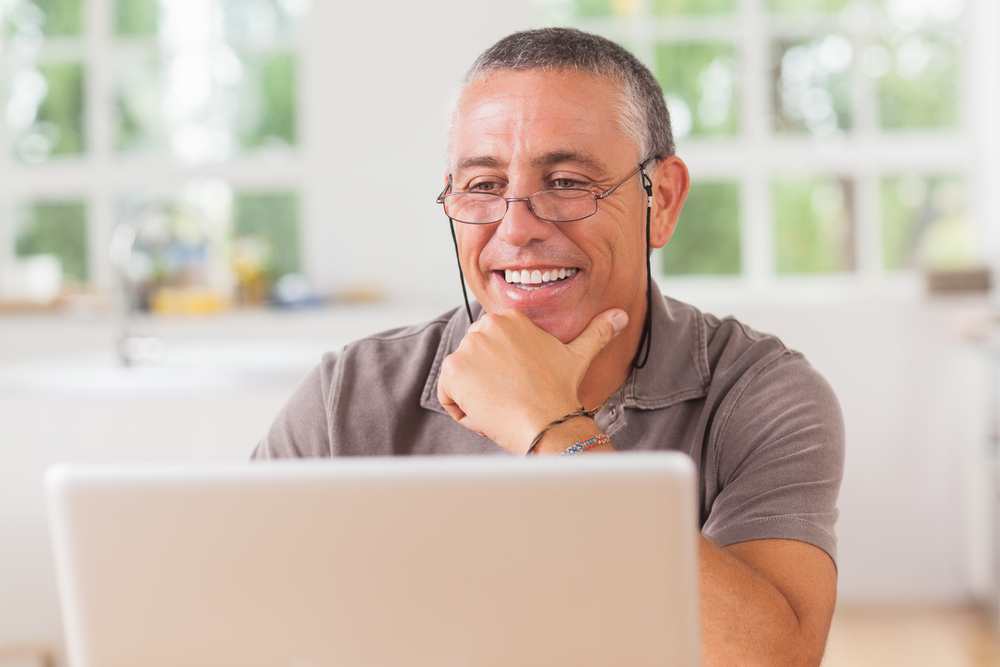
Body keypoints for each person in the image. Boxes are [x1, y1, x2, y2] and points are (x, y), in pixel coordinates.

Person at [254, 27, 844, 667]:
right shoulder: (347, 398)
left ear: (663, 201)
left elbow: (772, 658)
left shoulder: (760, 394)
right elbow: (231, 618)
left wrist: (553, 431)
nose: (516, 228)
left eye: (566, 181)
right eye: (482, 186)